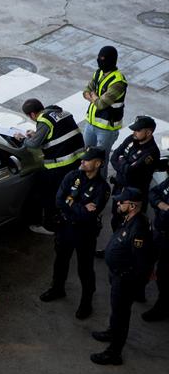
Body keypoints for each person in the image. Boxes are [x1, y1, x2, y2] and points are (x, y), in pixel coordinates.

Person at [39, 147, 110, 319]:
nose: (82, 162)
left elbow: (89, 214)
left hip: (85, 233)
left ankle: (86, 302)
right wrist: (79, 206)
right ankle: (58, 289)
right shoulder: (73, 176)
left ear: (98, 163)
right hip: (65, 228)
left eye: (87, 160)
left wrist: (70, 204)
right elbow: (58, 200)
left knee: (85, 269)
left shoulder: (102, 188)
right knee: (60, 261)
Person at [91, 187, 152, 365]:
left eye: (121, 202)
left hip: (125, 279)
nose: (118, 203)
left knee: (121, 315)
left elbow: (142, 261)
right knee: (116, 311)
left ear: (132, 206)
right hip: (117, 274)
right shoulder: (128, 219)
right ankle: (112, 332)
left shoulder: (139, 228)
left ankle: (114, 353)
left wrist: (132, 282)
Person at [16, 99, 85, 235]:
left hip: (61, 164)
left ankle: (49, 225)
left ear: (32, 115)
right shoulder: (62, 113)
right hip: (77, 160)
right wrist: (36, 135)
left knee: (47, 194)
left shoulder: (44, 121)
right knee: (68, 190)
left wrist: (23, 139)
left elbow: (33, 145)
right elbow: (57, 133)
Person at [108, 116, 160, 230]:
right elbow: (114, 157)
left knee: (130, 226)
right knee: (115, 219)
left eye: (138, 130)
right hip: (119, 188)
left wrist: (122, 161)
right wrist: (125, 164)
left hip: (133, 195)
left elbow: (131, 172)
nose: (134, 132)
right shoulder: (132, 138)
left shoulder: (152, 152)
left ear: (148, 132)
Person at [82, 46, 127, 177]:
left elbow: (101, 104)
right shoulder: (98, 73)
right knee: (87, 156)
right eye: (99, 59)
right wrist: (95, 97)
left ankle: (99, 187)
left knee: (100, 161)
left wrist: (94, 97)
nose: (100, 62)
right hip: (90, 124)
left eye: (103, 59)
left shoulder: (118, 81)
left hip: (106, 129)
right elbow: (85, 91)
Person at [144, 171, 169, 321]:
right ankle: (139, 291)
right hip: (158, 233)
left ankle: (162, 307)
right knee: (146, 262)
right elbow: (153, 192)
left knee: (164, 275)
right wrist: (163, 205)